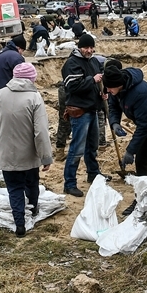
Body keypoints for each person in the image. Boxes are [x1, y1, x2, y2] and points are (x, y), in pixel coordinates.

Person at [0, 63, 52, 237]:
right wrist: (46, 157)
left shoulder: (0, 94)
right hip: (29, 155)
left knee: (14, 188)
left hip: (7, 154)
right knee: (32, 183)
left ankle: (20, 225)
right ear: (32, 79)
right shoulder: (35, 98)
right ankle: (33, 210)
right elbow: (41, 131)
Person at [104, 57, 147, 216]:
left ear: (119, 84)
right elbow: (113, 106)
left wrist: (130, 151)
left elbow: (145, 126)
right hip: (145, 124)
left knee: (141, 160)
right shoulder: (115, 88)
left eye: (110, 88)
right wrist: (115, 123)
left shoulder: (140, 93)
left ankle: (140, 198)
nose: (108, 91)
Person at [60, 34, 105, 197]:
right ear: (80, 47)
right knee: (77, 148)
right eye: (86, 47)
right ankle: (69, 183)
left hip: (92, 109)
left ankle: (93, 174)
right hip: (79, 112)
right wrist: (92, 80)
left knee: (92, 146)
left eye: (92, 47)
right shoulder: (72, 64)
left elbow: (99, 81)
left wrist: (102, 93)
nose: (89, 50)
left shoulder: (93, 62)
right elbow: (73, 86)